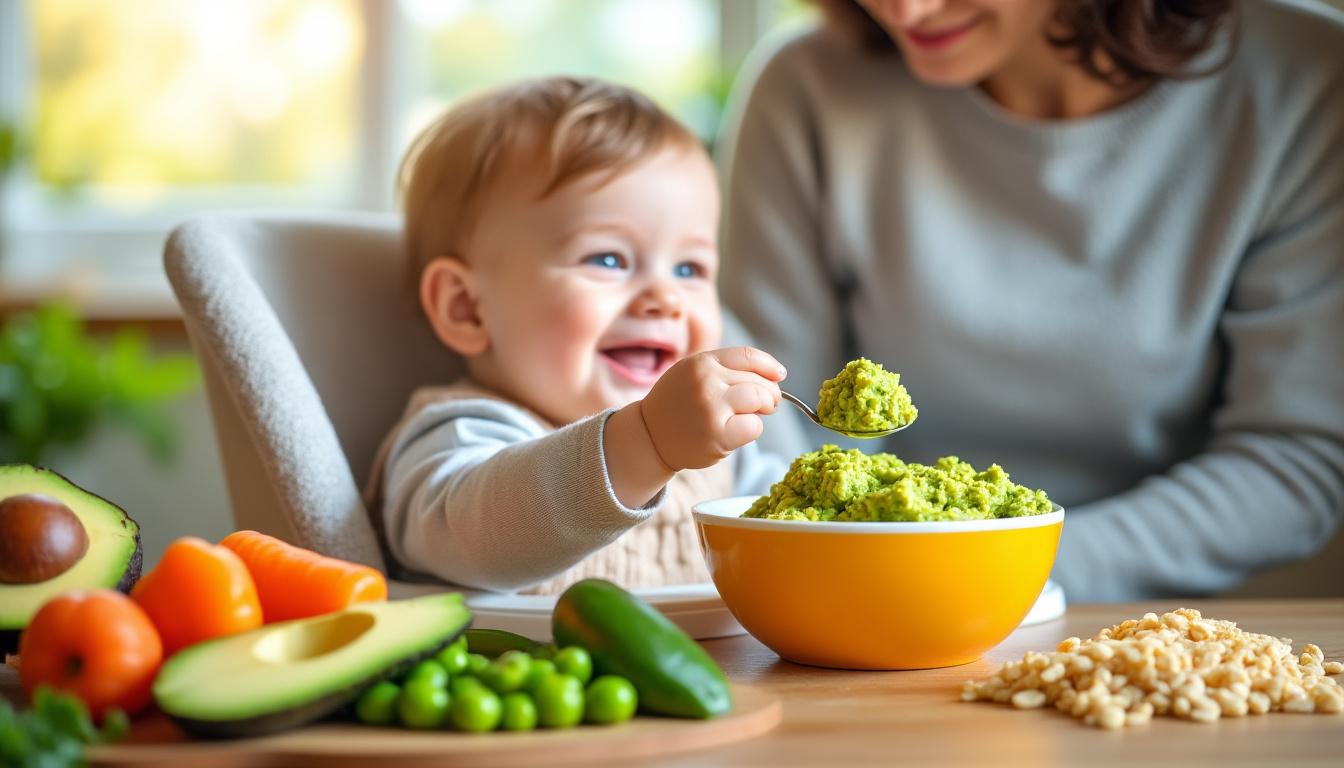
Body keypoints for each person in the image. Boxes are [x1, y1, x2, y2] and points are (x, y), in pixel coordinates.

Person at [719, 0, 1344, 601]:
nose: (905, 8)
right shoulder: (806, 85)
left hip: (1176, 627)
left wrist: (994, 568)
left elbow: (1296, 458)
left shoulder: (1304, 73)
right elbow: (779, 425)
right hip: (877, 601)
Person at [367, 76, 788, 595]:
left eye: (689, 269)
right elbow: (484, 539)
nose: (666, 298)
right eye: (608, 259)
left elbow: (804, 534)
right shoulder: (462, 431)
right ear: (466, 308)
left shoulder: (723, 454)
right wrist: (648, 443)